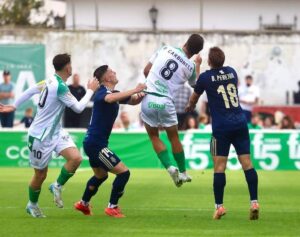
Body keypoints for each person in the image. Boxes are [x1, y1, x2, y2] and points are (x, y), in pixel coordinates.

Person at [0, 54, 99, 218]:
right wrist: (90, 90)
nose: (71, 67)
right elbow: (79, 108)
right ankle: (32, 205)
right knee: (40, 175)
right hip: (40, 136)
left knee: (75, 158)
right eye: (71, 64)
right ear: (68, 67)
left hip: (56, 131)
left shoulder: (49, 81)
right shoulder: (60, 86)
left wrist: (14, 105)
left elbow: (30, 90)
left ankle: (57, 186)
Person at [186, 47, 259, 220]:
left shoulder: (205, 77)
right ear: (223, 60)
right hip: (240, 123)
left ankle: (219, 207)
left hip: (221, 128)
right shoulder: (232, 72)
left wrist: (197, 65)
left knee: (219, 167)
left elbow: (195, 91)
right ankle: (254, 202)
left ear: (209, 62)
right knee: (247, 164)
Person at [74, 65, 146, 218]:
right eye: (112, 72)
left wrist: (143, 94)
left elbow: (133, 101)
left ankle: (83, 203)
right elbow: (110, 98)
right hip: (96, 144)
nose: (115, 72)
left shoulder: (114, 93)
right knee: (124, 173)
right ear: (106, 78)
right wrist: (135, 89)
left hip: (93, 143)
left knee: (101, 176)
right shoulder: (103, 93)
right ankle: (112, 207)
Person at [142, 34, 204, 187]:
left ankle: (170, 167)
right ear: (196, 53)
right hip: (166, 102)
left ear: (185, 43)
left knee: (154, 136)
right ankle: (183, 172)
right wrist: (198, 65)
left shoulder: (165, 49)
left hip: (149, 97)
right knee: (173, 138)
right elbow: (196, 85)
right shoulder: (190, 67)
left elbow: (146, 70)